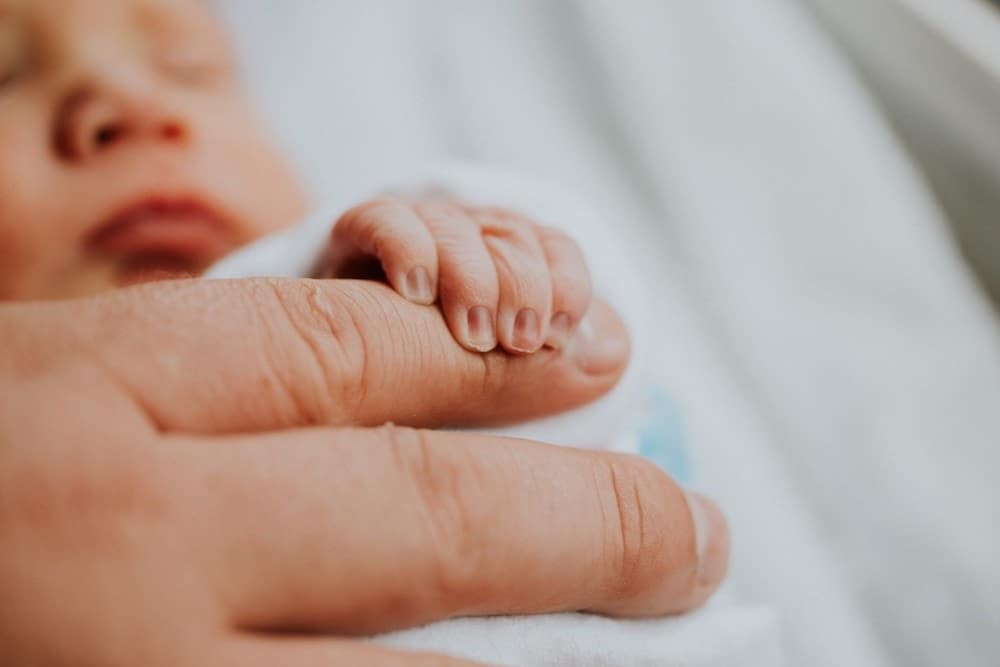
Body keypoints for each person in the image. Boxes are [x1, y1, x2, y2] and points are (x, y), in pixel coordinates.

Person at [0, 278, 728, 665]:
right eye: (7, 84)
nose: (129, 106)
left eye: (189, 69)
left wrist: (459, 255)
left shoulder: (336, 266)